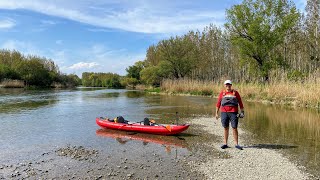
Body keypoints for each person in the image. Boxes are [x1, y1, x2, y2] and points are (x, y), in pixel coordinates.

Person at [215, 80, 245, 150]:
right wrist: (216, 113)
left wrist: (242, 112)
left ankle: (236, 144)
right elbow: (218, 103)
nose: (228, 86)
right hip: (224, 112)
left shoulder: (235, 93)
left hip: (234, 113)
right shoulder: (222, 93)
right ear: (224, 85)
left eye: (229, 84)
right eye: (226, 84)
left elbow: (240, 102)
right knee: (225, 128)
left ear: (231, 85)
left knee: (234, 128)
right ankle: (225, 144)